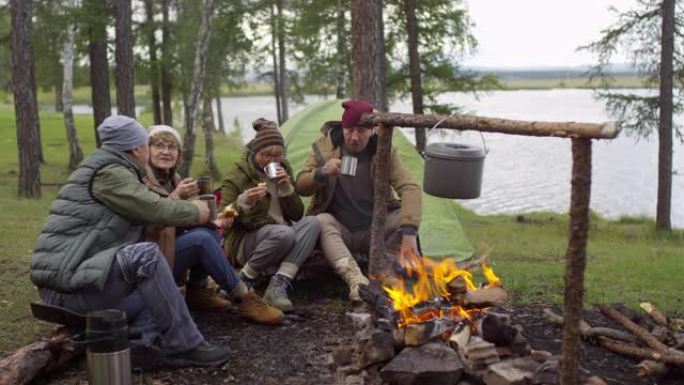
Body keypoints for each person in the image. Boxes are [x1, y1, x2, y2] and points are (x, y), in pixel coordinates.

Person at [30, 115, 230, 367]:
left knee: (157, 286)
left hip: (82, 278)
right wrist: (197, 211)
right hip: (66, 289)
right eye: (148, 144)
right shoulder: (110, 174)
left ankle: (139, 347)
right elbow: (154, 209)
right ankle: (184, 345)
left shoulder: (111, 169)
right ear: (137, 148)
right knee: (146, 255)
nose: (150, 149)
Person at [142, 124, 284, 324]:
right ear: (147, 150)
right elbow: (151, 221)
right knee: (201, 239)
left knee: (207, 232)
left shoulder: (173, 178)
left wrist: (212, 220)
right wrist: (177, 197)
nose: (166, 152)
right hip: (148, 258)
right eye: (159, 146)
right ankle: (244, 298)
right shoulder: (142, 181)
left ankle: (198, 292)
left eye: (171, 147)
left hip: (167, 247)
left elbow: (177, 223)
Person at [294, 100, 422, 302]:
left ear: (372, 130)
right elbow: (300, 186)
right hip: (340, 229)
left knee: (401, 218)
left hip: (374, 228)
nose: (354, 137)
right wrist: (321, 172)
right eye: (349, 130)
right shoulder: (325, 147)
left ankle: (387, 278)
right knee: (321, 220)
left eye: (361, 131)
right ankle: (355, 280)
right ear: (343, 128)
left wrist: (409, 234)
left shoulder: (383, 150)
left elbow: (409, 187)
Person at [219, 119, 320, 312]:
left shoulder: (284, 168)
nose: (273, 161)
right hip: (246, 240)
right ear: (255, 153)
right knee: (284, 233)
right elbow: (221, 218)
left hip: (281, 235)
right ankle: (245, 278)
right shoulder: (238, 175)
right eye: (266, 155)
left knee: (312, 223)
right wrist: (243, 202)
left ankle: (278, 284)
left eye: (278, 155)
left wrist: (287, 189)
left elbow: (298, 215)